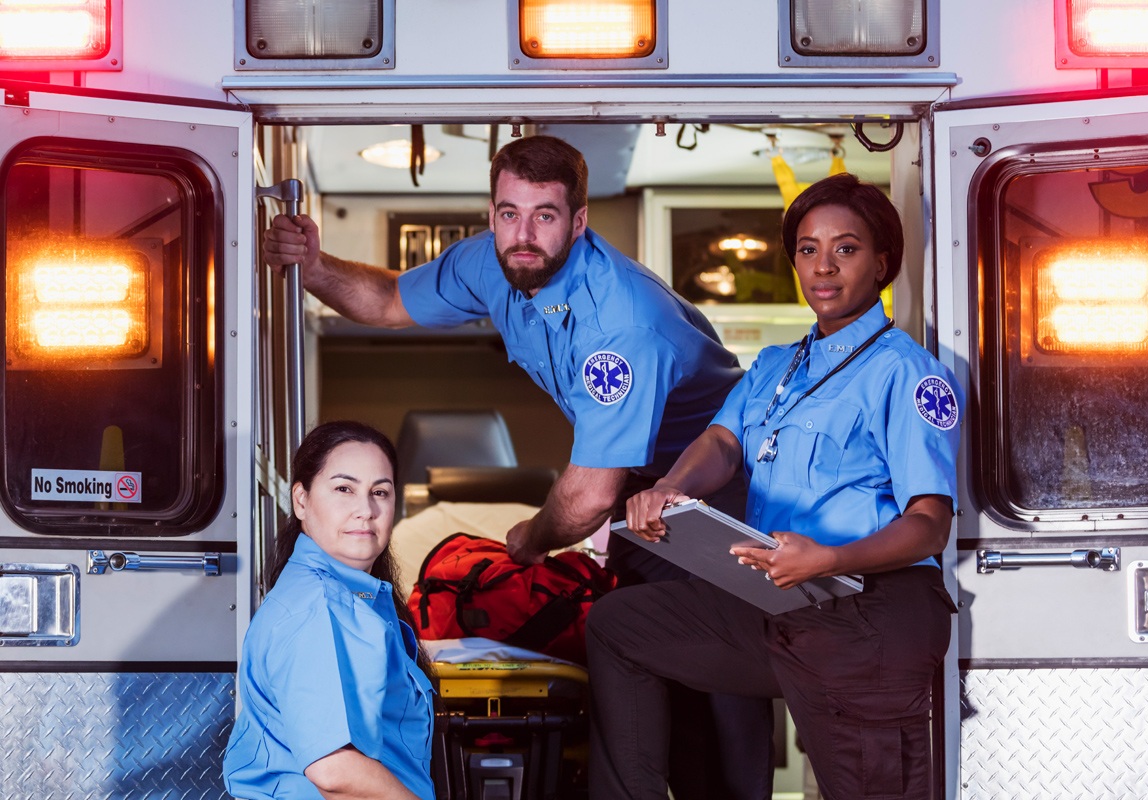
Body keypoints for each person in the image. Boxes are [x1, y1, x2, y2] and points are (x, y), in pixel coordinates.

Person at [261, 135, 774, 799]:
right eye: (508, 213)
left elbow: (588, 496)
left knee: (716, 680)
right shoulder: (493, 263)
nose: (522, 234)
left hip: (723, 486)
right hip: (644, 493)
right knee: (630, 659)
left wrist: (529, 541)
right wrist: (314, 262)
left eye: (545, 216)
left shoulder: (621, 324)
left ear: (579, 221)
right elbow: (389, 300)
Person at [587, 172, 963, 800]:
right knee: (619, 624)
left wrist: (830, 558)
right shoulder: (775, 365)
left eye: (846, 248)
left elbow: (931, 522)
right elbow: (723, 442)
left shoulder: (905, 372)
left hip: (869, 611)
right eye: (809, 250)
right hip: (779, 601)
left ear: (882, 263)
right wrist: (671, 489)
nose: (824, 267)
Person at [223, 420, 436, 800]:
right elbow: (334, 769)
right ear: (301, 500)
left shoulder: (355, 596)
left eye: (380, 493)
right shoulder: (317, 608)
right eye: (343, 489)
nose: (365, 510)